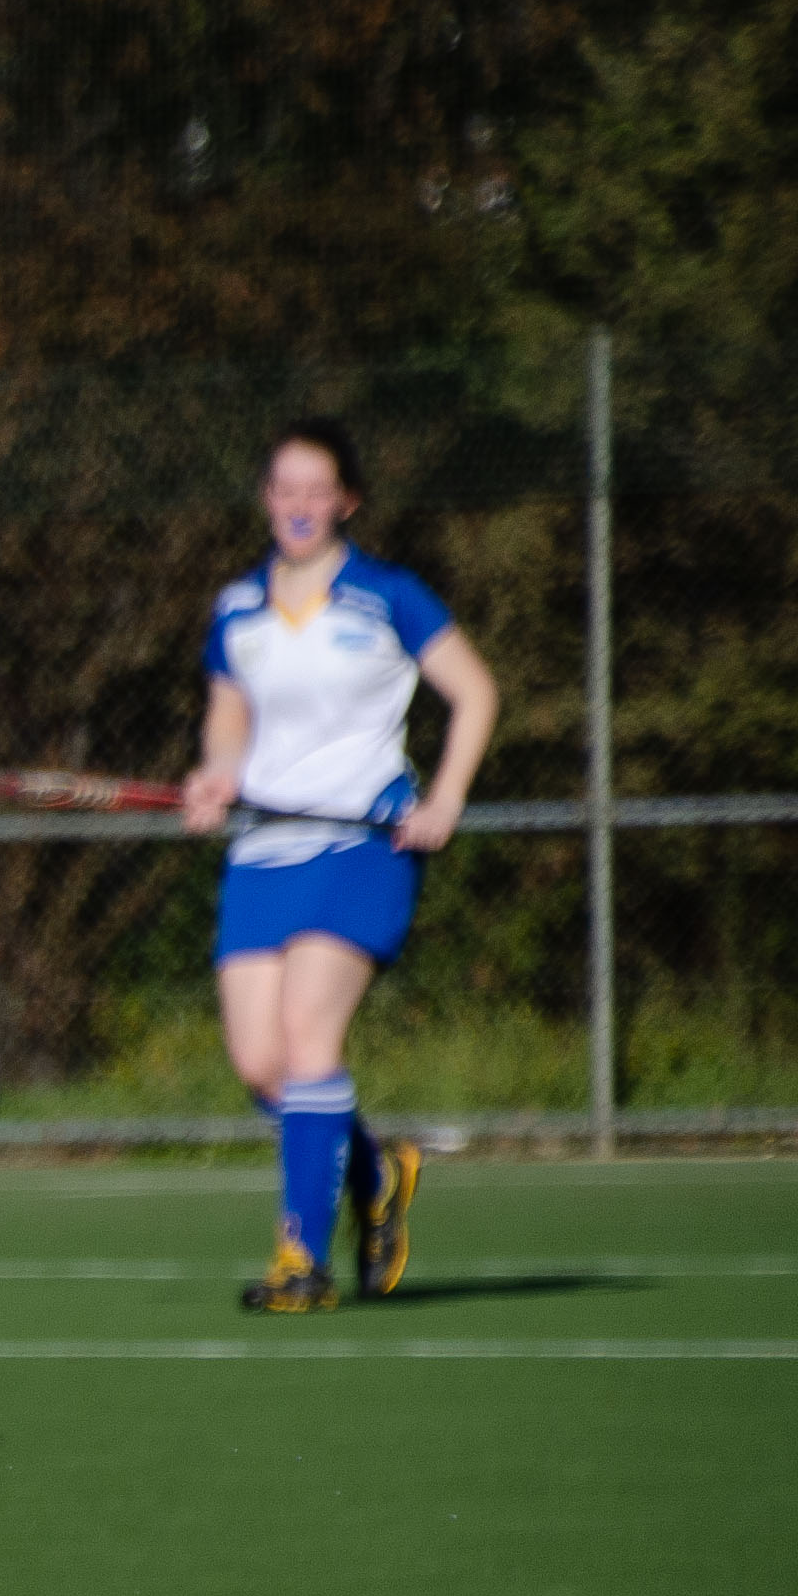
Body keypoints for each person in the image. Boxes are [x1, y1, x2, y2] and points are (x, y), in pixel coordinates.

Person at [183, 418, 499, 1311]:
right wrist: (214, 778)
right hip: (263, 850)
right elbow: (229, 718)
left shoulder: (387, 596)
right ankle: (377, 1174)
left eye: (316, 491)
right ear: (266, 500)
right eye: (284, 489)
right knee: (261, 1066)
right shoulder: (237, 607)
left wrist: (445, 797)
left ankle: (301, 1261)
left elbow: (475, 692)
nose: (299, 506)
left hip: (363, 841)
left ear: (346, 502)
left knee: (311, 1041)